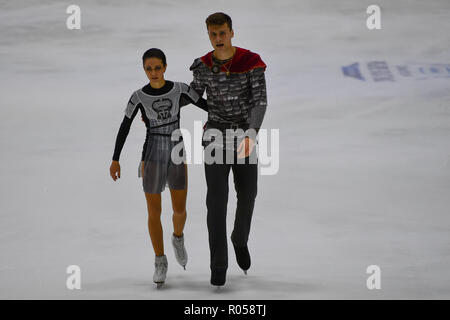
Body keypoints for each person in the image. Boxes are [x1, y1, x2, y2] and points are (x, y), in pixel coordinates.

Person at [109, 48, 208, 288]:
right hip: (151, 152)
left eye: (157, 68)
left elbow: (206, 105)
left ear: (165, 67)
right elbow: (125, 126)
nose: (153, 73)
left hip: (177, 150)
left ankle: (177, 238)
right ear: (144, 69)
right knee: (153, 212)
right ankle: (160, 260)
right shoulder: (138, 97)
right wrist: (115, 158)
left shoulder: (180, 89)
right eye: (148, 69)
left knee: (179, 210)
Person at [189, 12, 268, 286]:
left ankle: (239, 238)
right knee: (216, 201)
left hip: (245, 135)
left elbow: (260, 101)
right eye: (213, 34)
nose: (218, 39)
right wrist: (159, 107)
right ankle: (218, 265)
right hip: (215, 136)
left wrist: (252, 133)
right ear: (208, 35)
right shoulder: (203, 66)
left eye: (222, 33)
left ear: (231, 32)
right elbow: (192, 94)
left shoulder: (250, 62)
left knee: (248, 193)